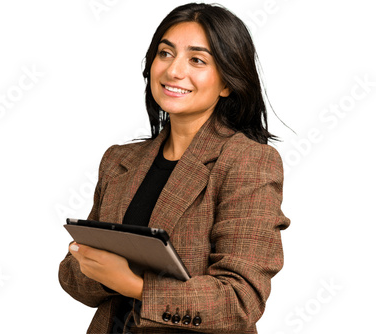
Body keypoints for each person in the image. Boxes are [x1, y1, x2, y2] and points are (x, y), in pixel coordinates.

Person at [58, 2, 290, 333]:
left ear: (227, 83)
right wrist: (99, 271)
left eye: (197, 60)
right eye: (165, 54)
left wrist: (135, 285)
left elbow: (241, 300)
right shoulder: (118, 160)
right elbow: (70, 274)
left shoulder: (247, 161)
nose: (173, 71)